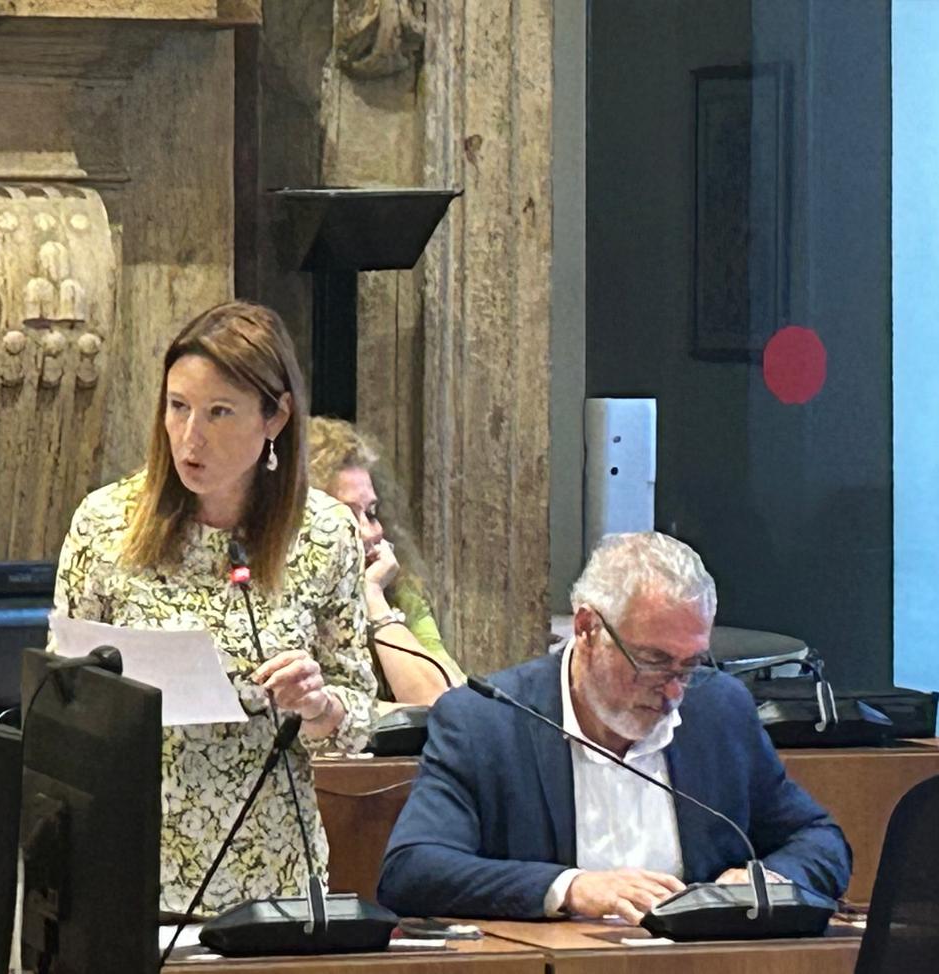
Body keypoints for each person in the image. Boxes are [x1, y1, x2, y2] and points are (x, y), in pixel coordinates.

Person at [52, 300, 377, 916]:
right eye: (178, 406)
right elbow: (57, 702)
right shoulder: (105, 523)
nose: (190, 435)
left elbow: (357, 712)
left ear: (275, 416)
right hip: (127, 864)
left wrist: (318, 705)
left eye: (219, 412)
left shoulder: (326, 533)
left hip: (273, 871)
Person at [377, 532, 850, 920]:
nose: (673, 690)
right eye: (653, 661)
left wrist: (765, 881)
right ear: (587, 629)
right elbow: (412, 869)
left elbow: (820, 840)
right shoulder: (487, 720)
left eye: (689, 665)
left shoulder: (718, 710)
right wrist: (571, 888)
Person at [307, 417, 463, 704]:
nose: (369, 532)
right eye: (346, 516)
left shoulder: (397, 590)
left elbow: (449, 700)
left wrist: (373, 598)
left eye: (371, 513)